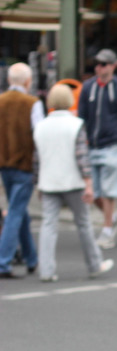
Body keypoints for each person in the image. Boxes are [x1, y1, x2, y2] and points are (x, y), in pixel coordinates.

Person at [34, 84, 113, 282]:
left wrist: (38, 183)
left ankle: (47, 270)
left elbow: (37, 159)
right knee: (84, 224)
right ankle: (94, 265)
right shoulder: (76, 124)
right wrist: (89, 183)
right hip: (73, 182)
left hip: (49, 182)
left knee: (48, 225)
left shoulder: (40, 126)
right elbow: (82, 157)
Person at [78, 48, 117, 250]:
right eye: (97, 64)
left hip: (114, 145)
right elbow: (82, 118)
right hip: (92, 146)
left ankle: (107, 229)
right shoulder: (88, 88)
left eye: (103, 64)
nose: (99, 68)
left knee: (109, 191)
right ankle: (111, 218)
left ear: (112, 66)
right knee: (93, 192)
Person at [0, 62, 44, 279]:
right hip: (24, 165)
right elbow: (40, 135)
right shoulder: (32, 103)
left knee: (19, 211)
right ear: (28, 81)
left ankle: (31, 258)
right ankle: (3, 261)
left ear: (9, 80)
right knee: (16, 213)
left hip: (4, 165)